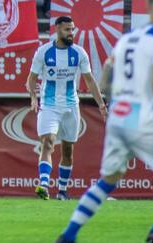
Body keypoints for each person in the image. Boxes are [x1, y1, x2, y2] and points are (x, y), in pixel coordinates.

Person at [56, 0, 153, 243]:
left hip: (120, 115)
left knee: (108, 180)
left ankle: (68, 236)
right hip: (141, 115)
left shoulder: (128, 38)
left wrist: (115, 99)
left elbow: (107, 71)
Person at [26, 16, 107, 201]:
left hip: (71, 107)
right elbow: (31, 79)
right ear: (57, 30)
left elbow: (89, 80)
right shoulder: (44, 52)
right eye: (67, 30)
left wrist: (101, 104)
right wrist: (33, 97)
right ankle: (44, 186)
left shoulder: (79, 53)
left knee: (68, 151)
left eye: (72, 29)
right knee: (48, 142)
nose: (71, 33)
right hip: (49, 105)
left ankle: (62, 191)